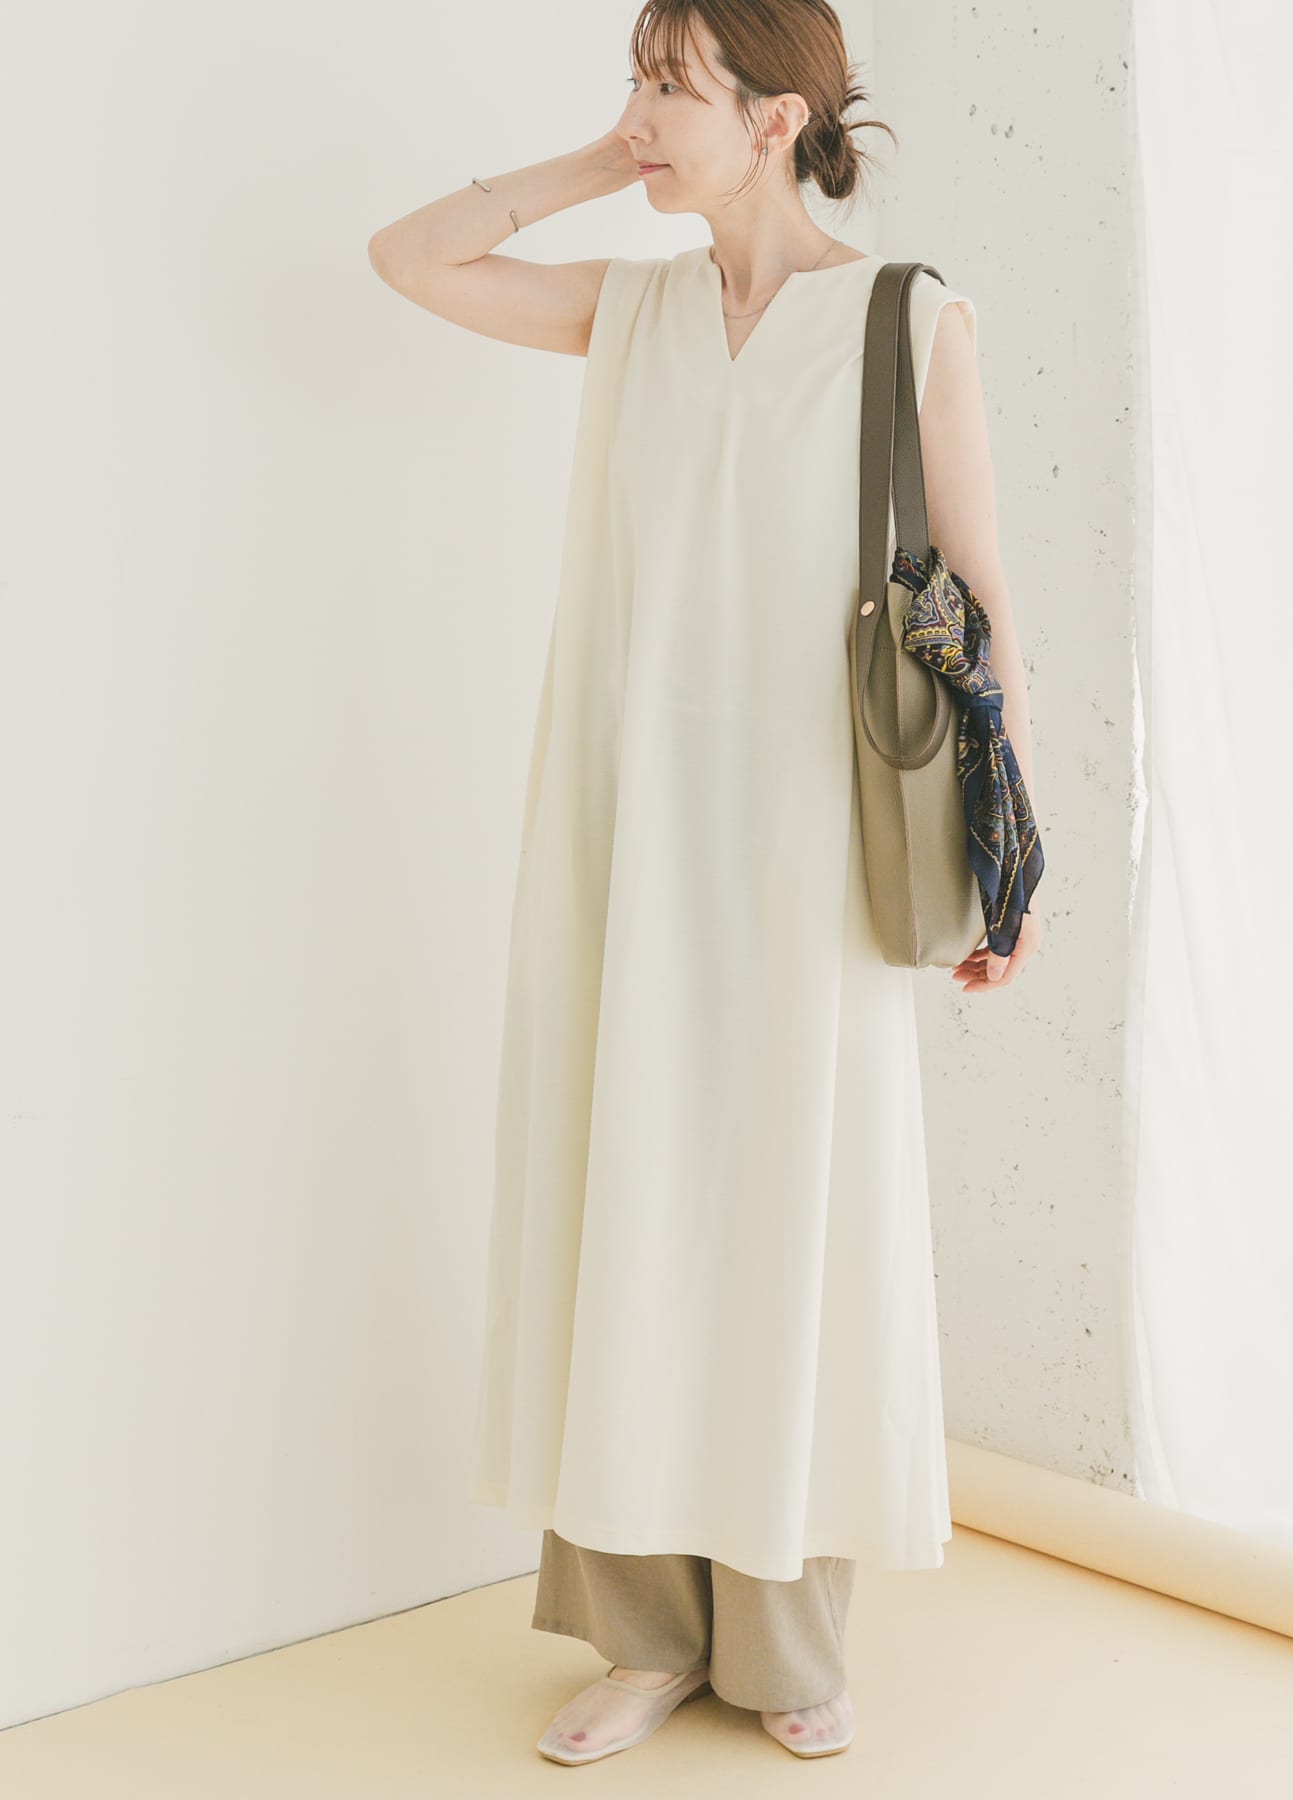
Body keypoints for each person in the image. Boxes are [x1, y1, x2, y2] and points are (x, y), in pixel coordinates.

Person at [367, 0, 1042, 1767]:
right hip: (631, 832)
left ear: (775, 119)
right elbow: (409, 260)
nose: (640, 111)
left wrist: (1010, 856)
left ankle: (788, 1642)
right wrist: (603, 159)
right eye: (638, 79)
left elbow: (982, 603)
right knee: (630, 1200)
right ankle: (645, 1637)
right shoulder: (638, 309)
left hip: (816, 853)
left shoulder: (908, 319)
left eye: (672, 86)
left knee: (793, 1215)